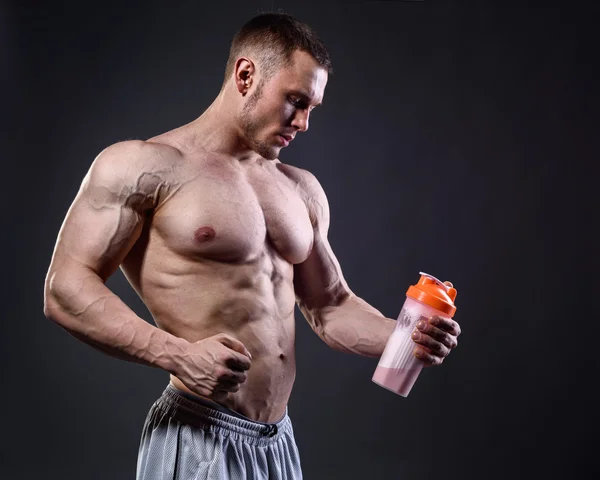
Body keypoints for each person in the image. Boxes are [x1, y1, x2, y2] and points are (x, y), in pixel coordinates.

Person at [43, 12, 461, 480]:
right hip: (196, 431)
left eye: (312, 109)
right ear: (246, 76)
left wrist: (402, 336)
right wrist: (175, 354)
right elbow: (65, 287)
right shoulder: (145, 167)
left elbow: (330, 304)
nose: (303, 123)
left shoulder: (299, 188)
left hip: (277, 442)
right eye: (295, 101)